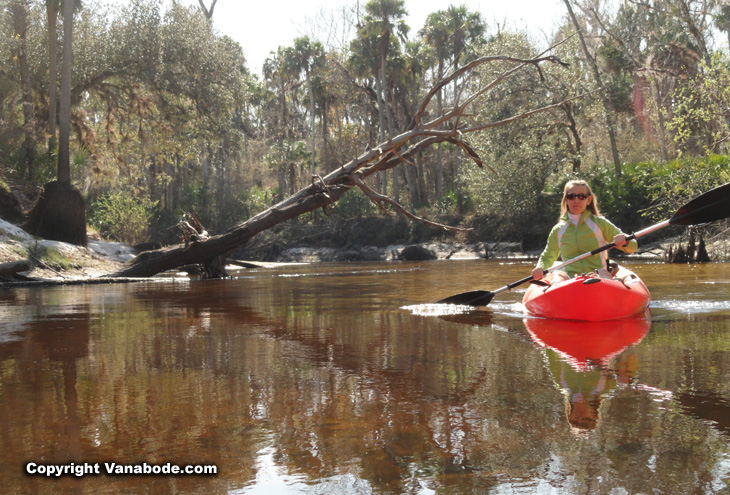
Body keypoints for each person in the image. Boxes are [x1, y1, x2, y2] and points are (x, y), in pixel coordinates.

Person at [532, 180, 637, 283]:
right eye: (571, 196)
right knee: (557, 275)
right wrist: (540, 267)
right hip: (570, 277)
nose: (576, 200)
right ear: (566, 200)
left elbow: (633, 247)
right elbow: (548, 256)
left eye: (581, 196)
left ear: (589, 200)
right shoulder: (558, 230)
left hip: (597, 274)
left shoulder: (600, 224)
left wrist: (625, 241)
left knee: (603, 273)